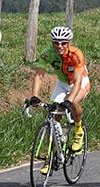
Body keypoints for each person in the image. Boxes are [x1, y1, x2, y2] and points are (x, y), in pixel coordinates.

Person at [27, 26, 91, 174]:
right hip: (62, 84)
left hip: (79, 82)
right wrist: (34, 96)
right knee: (53, 118)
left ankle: (78, 129)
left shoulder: (76, 55)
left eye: (63, 43)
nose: (59, 46)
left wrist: (69, 100)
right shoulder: (47, 54)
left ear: (69, 43)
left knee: (73, 103)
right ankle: (50, 158)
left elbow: (78, 80)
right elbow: (39, 75)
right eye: (56, 43)